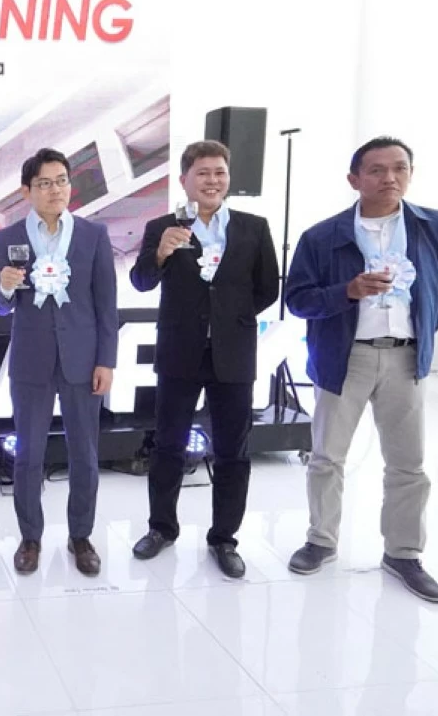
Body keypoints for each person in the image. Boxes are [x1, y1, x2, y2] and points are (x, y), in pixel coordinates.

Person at [284, 136, 438, 603]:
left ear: (411, 174)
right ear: (354, 179)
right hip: (345, 357)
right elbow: (297, 299)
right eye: (377, 170)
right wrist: (346, 292)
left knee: (408, 463)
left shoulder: (433, 227)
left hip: (405, 357)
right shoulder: (322, 236)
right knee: (327, 457)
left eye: (400, 168)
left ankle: (403, 553)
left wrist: (421, 328)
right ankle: (321, 540)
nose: (390, 178)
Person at [129, 140, 279, 578]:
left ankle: (224, 538)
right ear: (184, 180)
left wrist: (229, 319)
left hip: (234, 354)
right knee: (168, 446)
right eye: (203, 173)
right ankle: (161, 528)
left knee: (233, 450)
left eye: (219, 173)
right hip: (179, 352)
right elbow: (140, 281)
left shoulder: (253, 227)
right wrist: (161, 253)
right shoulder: (162, 226)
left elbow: (267, 288)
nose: (212, 181)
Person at [0, 148, 118, 576]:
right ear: (27, 191)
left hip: (83, 360)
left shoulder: (93, 235)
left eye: (61, 180)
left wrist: (107, 360)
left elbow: (106, 304)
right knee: (28, 455)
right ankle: (30, 537)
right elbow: (0, 305)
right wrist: (5, 288)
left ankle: (81, 536)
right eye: (44, 183)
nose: (55, 189)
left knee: (85, 454)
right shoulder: (8, 239)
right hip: (31, 362)